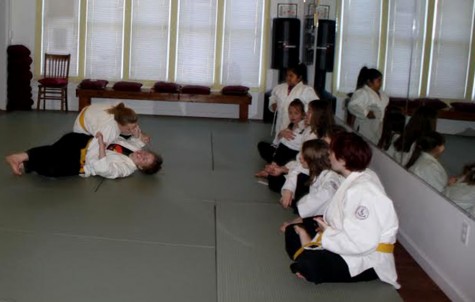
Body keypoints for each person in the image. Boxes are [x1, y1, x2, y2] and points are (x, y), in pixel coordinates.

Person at [284, 132, 400, 289]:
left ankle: (307, 255)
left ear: (343, 160)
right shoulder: (355, 176)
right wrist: (327, 228)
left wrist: (328, 234)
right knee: (291, 232)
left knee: (310, 264)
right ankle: (307, 251)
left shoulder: (364, 191)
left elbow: (363, 243)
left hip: (368, 258)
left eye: (331, 152)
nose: (328, 155)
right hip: (342, 239)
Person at [5, 131, 162, 179]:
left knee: (53, 168)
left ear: (140, 167)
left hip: (82, 162)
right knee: (55, 154)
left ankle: (26, 164)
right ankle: (20, 157)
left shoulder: (125, 169)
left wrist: (101, 146)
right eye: (146, 153)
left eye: (145, 159)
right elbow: (136, 140)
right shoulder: (134, 148)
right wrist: (142, 137)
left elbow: (105, 170)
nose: (142, 154)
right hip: (84, 142)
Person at [266, 100, 334, 193]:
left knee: (274, 181)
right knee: (274, 176)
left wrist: (283, 169)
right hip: (299, 164)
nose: (306, 113)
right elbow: (299, 158)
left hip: (308, 172)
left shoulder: (317, 137)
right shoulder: (309, 129)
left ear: (318, 115)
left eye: (309, 111)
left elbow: (304, 164)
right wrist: (282, 169)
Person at [279, 139, 343, 229]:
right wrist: (288, 190)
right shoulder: (317, 168)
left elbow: (323, 200)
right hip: (315, 211)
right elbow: (296, 169)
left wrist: (292, 223)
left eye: (304, 156)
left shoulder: (331, 178)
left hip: (332, 220)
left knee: (292, 233)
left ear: (313, 160)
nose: (300, 158)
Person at [73, 102, 150, 156]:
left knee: (127, 137)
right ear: (119, 124)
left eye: (135, 126)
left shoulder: (121, 112)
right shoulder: (108, 130)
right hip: (81, 130)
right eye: (129, 129)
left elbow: (131, 126)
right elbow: (94, 152)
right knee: (114, 146)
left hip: (91, 112)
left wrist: (141, 134)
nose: (134, 129)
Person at [257, 99, 306, 172]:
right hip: (280, 151)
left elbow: (295, 145)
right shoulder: (290, 125)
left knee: (284, 149)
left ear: (302, 114)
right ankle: (275, 163)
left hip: (292, 155)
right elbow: (275, 143)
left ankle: (274, 165)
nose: (292, 116)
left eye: (296, 113)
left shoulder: (303, 128)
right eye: (290, 113)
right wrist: (280, 134)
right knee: (262, 145)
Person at [268, 64, 319, 135]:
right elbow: (273, 97)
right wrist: (273, 104)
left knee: (291, 142)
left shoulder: (307, 90)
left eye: (291, 76)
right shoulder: (279, 88)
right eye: (287, 75)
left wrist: (304, 119)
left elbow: (316, 106)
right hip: (280, 125)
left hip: (297, 127)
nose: (288, 78)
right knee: (280, 140)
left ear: (299, 78)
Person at [348, 67, 389, 144]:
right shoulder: (362, 92)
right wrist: (366, 113)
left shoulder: (383, 94)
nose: (381, 83)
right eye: (378, 81)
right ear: (369, 82)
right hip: (365, 126)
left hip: (377, 127)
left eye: (381, 81)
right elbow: (352, 106)